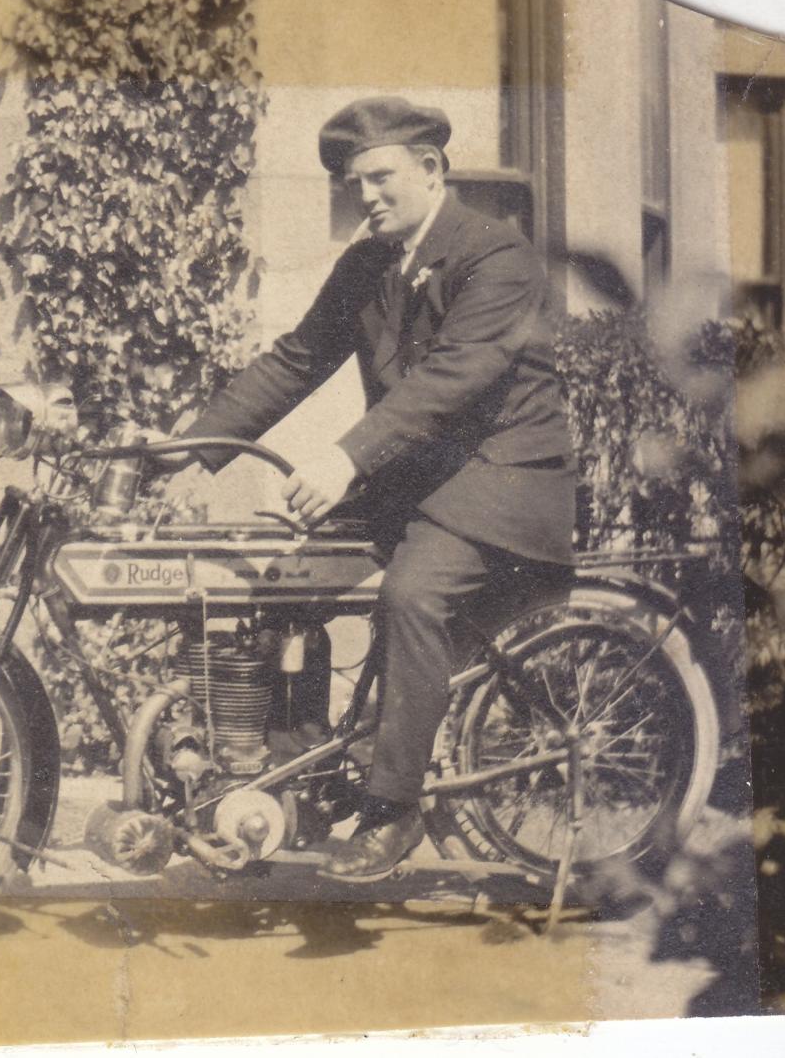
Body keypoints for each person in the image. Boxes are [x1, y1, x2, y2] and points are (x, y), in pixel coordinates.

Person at [158, 96, 577, 881]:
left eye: (381, 176)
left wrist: (346, 458)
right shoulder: (367, 263)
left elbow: (455, 377)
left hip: (499, 484)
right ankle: (296, 774)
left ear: (431, 168)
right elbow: (294, 359)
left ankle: (393, 808)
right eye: (356, 183)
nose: (368, 196)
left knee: (412, 596)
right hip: (408, 483)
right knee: (277, 582)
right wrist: (189, 448)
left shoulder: (499, 257)